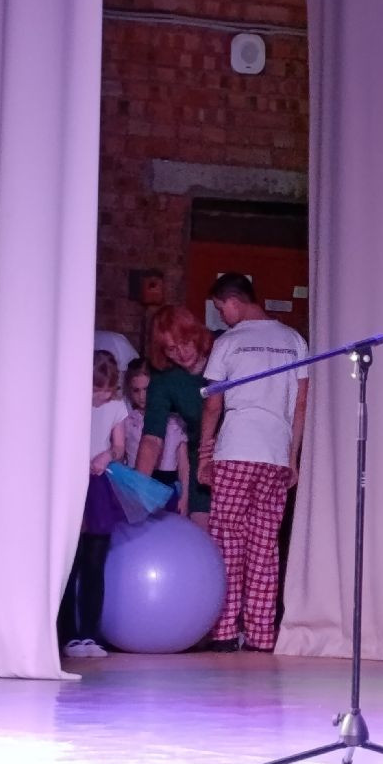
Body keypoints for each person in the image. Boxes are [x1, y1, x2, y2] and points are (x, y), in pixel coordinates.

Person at [199, 273, 310, 653]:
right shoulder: (294, 340)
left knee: (227, 542)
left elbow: (213, 404)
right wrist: (292, 456)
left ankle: (225, 631)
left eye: (220, 308)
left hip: (234, 451)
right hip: (274, 455)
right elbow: (300, 403)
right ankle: (262, 634)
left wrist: (205, 454)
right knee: (264, 547)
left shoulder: (228, 343)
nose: (221, 316)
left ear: (233, 301)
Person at [59, 351, 128, 659]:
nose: (102, 396)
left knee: (94, 564)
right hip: (71, 484)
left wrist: (107, 455)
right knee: (69, 565)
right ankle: (67, 635)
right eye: (97, 389)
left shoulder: (116, 407)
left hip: (97, 486)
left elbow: (119, 446)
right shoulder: (72, 402)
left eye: (108, 390)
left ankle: (90, 634)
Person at [134, 306, 214, 531]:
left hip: (237, 455)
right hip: (200, 459)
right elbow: (152, 438)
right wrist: (138, 490)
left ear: (196, 334)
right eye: (171, 348)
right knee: (200, 532)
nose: (182, 353)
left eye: (186, 342)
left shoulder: (222, 353)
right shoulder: (164, 378)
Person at [121, 360, 189, 516]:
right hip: (138, 487)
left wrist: (184, 498)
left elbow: (184, 465)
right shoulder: (127, 421)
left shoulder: (175, 422)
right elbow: (122, 457)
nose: (142, 396)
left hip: (168, 489)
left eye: (147, 389)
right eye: (136, 390)